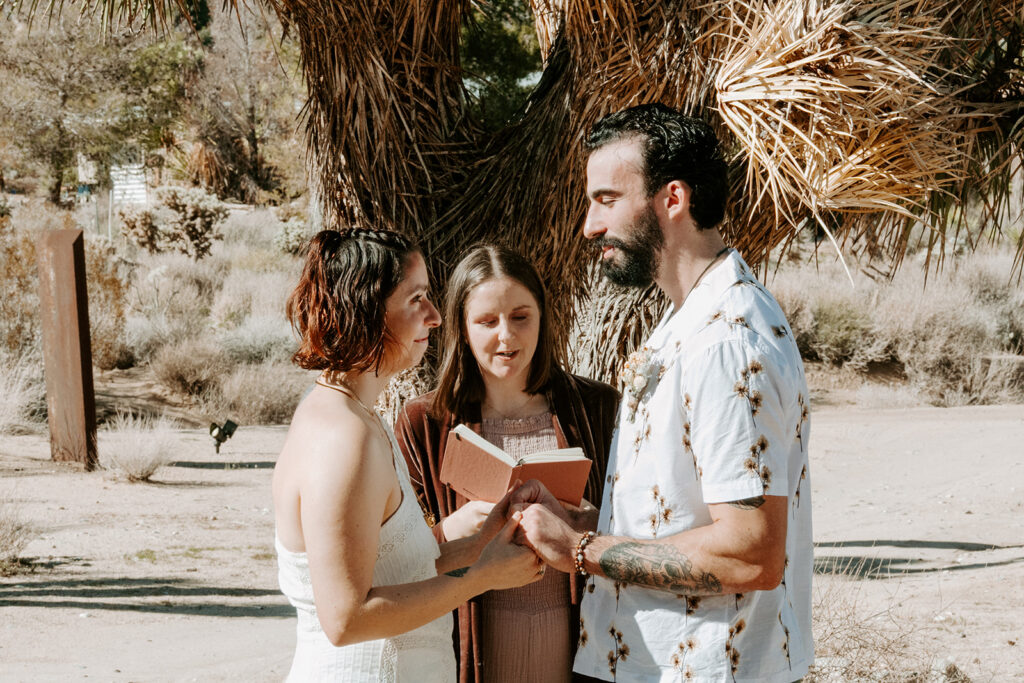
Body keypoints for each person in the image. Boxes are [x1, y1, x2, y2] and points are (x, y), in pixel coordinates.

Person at [512, 104, 814, 682]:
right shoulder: (696, 320)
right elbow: (692, 513)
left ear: (671, 199)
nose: (589, 226)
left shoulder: (726, 342)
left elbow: (750, 553)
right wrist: (592, 522)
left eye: (605, 199)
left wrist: (581, 548)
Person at [272, 229, 544, 682]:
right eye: (416, 299)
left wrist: (475, 547)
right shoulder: (342, 437)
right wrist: (482, 578)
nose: (436, 317)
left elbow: (387, 570)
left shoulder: (359, 417)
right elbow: (345, 619)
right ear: (367, 310)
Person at [394, 244, 619, 683]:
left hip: (578, 651)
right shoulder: (424, 423)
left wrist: (592, 522)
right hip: (469, 654)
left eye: (521, 317)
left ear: (543, 317)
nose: (506, 337)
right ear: (461, 326)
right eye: (486, 321)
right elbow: (395, 558)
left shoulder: (597, 407)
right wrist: (449, 532)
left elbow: (641, 531)